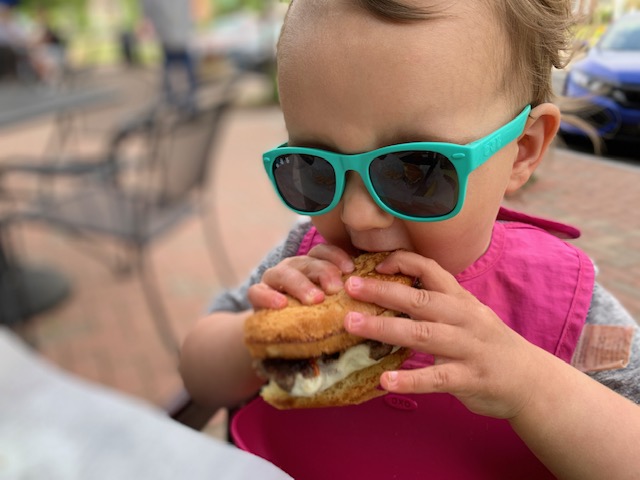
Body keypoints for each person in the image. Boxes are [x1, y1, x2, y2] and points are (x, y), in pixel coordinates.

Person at [179, 1, 640, 478]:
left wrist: (530, 386)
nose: (358, 215)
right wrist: (258, 340)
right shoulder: (304, 263)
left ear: (521, 151)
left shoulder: (566, 305)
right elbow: (198, 376)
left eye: (415, 170)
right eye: (313, 167)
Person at [140, 0, 197, 109]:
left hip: (175, 32)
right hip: (171, 32)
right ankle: (175, 97)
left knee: (177, 64)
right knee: (176, 64)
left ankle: (180, 97)